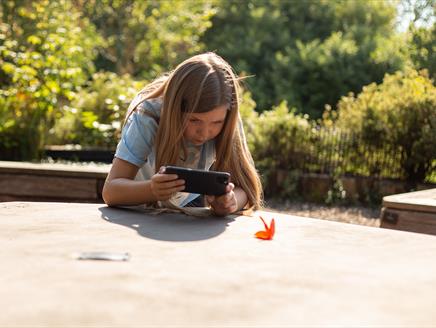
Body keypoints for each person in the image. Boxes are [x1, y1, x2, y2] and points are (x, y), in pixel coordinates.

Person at [102, 52, 263, 216]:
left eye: (216, 123)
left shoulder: (227, 116)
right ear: (174, 110)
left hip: (184, 205)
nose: (204, 133)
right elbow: (111, 192)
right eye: (194, 120)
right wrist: (152, 189)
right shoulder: (148, 114)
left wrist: (231, 202)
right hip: (133, 207)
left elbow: (246, 188)